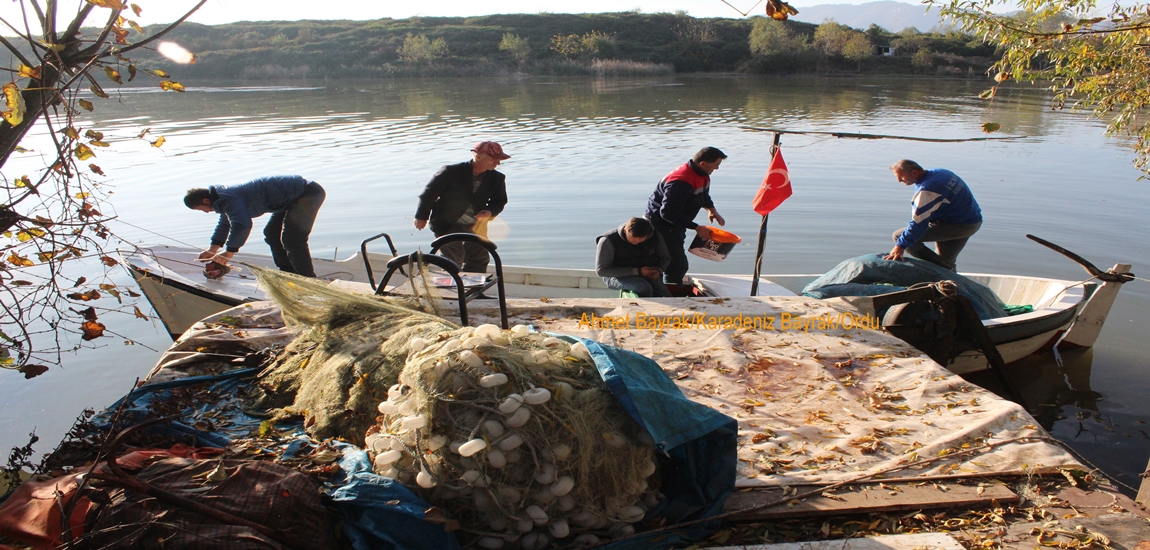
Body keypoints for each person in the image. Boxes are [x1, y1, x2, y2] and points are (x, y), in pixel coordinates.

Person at [184, 175, 325, 278]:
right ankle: (288, 272)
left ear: (206, 200)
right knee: (271, 234)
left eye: (202, 209)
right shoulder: (223, 199)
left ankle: (308, 280)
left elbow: (242, 225)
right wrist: (213, 249)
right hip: (288, 199)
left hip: (306, 193)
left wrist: (229, 252)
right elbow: (225, 223)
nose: (206, 212)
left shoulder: (227, 198)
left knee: (293, 239)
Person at [414, 141, 510, 273]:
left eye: (499, 160)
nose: (498, 163)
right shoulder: (450, 171)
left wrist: (489, 212)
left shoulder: (497, 178)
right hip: (446, 223)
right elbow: (429, 194)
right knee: (452, 260)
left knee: (479, 258)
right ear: (478, 157)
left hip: (476, 225)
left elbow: (499, 201)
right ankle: (453, 286)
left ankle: (474, 286)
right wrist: (421, 217)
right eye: (494, 159)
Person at [645, 146, 727, 286]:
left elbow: (703, 195)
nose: (717, 168)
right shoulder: (681, 181)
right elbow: (667, 213)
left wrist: (711, 209)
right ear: (703, 163)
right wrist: (696, 227)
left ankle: (665, 288)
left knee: (674, 262)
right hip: (661, 226)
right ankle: (668, 292)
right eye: (716, 165)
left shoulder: (702, 174)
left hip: (676, 224)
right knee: (677, 265)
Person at [884, 159, 982, 271]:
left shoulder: (927, 190)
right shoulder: (941, 172)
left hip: (957, 225)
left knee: (899, 236)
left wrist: (900, 246)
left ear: (914, 172)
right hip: (973, 221)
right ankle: (948, 273)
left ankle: (941, 268)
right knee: (946, 259)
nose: (899, 180)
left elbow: (918, 223)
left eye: (901, 176)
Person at [595, 217, 672, 298]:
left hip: (647, 272)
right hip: (617, 275)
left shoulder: (655, 236)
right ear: (625, 230)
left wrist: (659, 269)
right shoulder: (608, 240)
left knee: (665, 295)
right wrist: (638, 271)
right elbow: (601, 270)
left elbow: (665, 257)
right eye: (632, 240)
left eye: (641, 241)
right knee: (643, 288)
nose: (636, 243)